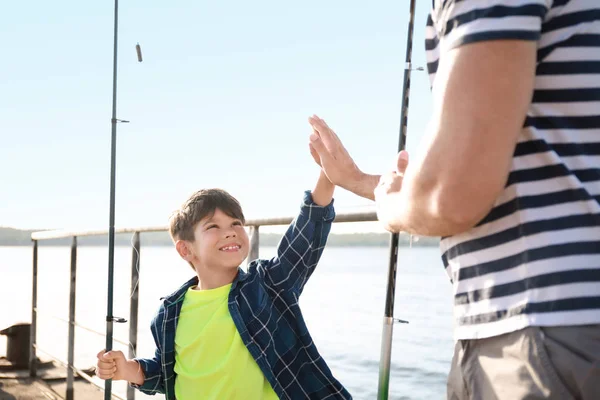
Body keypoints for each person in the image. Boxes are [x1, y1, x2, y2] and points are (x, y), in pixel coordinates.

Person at [308, 1, 600, 399]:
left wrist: (393, 208)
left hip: (540, 324)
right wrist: (361, 182)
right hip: (534, 326)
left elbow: (450, 195)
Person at [95, 169, 352, 399]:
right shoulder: (168, 314)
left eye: (236, 223)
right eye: (213, 226)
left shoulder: (267, 285)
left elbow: (303, 240)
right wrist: (128, 369)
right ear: (185, 249)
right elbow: (167, 375)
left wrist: (327, 176)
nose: (229, 231)